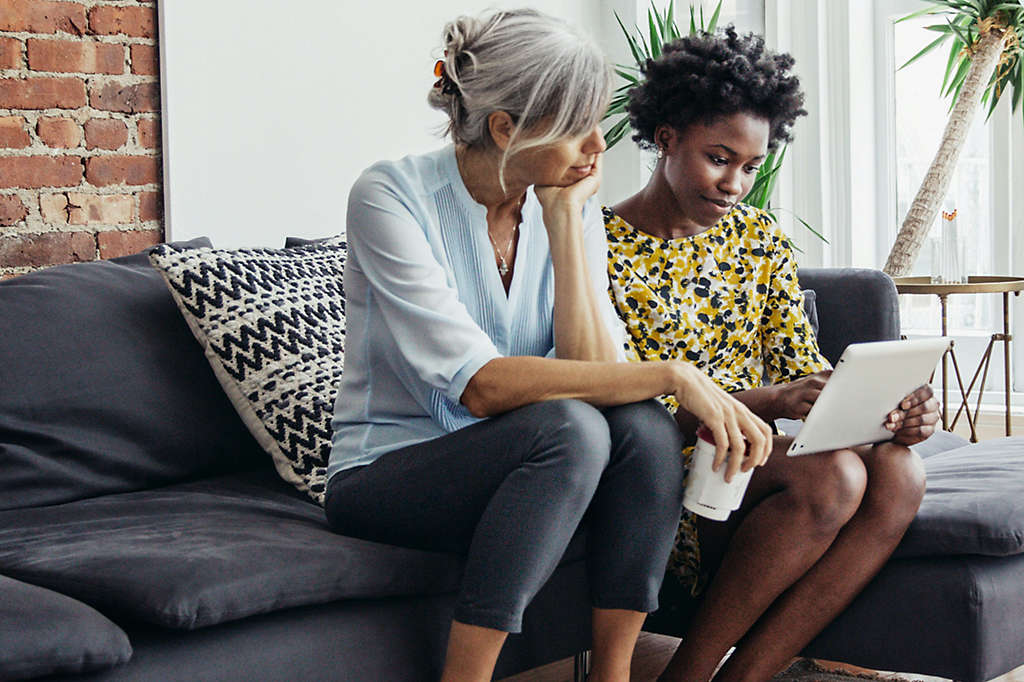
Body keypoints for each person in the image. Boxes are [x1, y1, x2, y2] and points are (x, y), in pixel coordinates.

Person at [324, 10, 772, 682]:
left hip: (527, 464)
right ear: (506, 129)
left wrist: (563, 224)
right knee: (570, 427)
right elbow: (481, 388)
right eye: (577, 128)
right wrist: (676, 373)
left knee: (643, 428)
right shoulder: (390, 196)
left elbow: (600, 374)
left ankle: (612, 675)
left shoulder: (565, 199)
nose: (598, 145)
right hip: (390, 474)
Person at [604, 27, 941, 682]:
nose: (735, 183)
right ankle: (688, 675)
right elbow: (614, 405)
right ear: (666, 136)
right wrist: (767, 402)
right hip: (656, 480)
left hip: (748, 465)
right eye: (718, 158)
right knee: (835, 477)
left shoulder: (757, 239)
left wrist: (885, 409)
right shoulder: (601, 248)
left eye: (751, 167)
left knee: (900, 471)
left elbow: (799, 369)